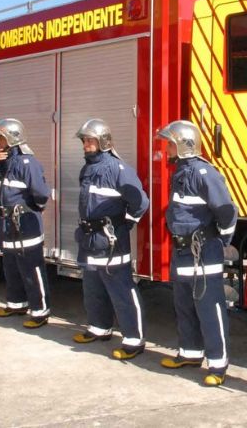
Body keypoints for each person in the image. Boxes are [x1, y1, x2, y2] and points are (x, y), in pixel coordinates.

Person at [156, 120, 238, 386]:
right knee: (184, 304)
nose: (166, 148)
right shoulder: (180, 173)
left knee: (209, 307)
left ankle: (218, 364)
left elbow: (227, 210)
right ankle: (190, 353)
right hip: (183, 251)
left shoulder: (203, 173)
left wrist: (222, 239)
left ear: (183, 145)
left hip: (204, 252)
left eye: (169, 144)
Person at [71, 118, 149, 361]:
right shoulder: (87, 169)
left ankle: (133, 340)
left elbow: (141, 202)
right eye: (84, 140)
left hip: (111, 240)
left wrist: (124, 225)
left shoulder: (118, 169)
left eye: (90, 140)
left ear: (103, 141)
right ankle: (99, 327)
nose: (86, 144)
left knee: (121, 290)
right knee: (92, 285)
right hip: (90, 239)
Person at [0, 118, 52, 329]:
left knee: (32, 268)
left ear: (12, 138)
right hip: (7, 224)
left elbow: (41, 193)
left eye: (1, 138)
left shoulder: (27, 163)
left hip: (25, 223)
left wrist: (32, 210)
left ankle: (40, 311)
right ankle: (16, 304)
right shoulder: (3, 162)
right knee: (11, 266)